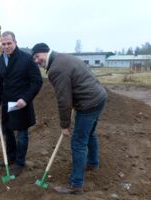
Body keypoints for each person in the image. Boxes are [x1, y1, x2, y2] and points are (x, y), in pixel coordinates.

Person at [32, 43, 107, 194]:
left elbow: (64, 100)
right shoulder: (63, 57)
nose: (36, 61)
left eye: (37, 57)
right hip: (99, 96)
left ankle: (76, 184)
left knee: (78, 142)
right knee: (90, 133)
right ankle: (93, 163)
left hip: (89, 103)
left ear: (45, 53)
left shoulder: (55, 69)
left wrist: (65, 125)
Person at [0, 31, 43, 176]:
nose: (6, 46)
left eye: (9, 43)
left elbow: (37, 82)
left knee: (22, 135)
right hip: (7, 104)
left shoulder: (26, 59)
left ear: (15, 42)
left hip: (21, 104)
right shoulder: (0, 60)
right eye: (4, 44)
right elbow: (1, 82)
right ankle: (11, 157)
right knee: (7, 132)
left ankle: (20, 163)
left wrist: (26, 99)